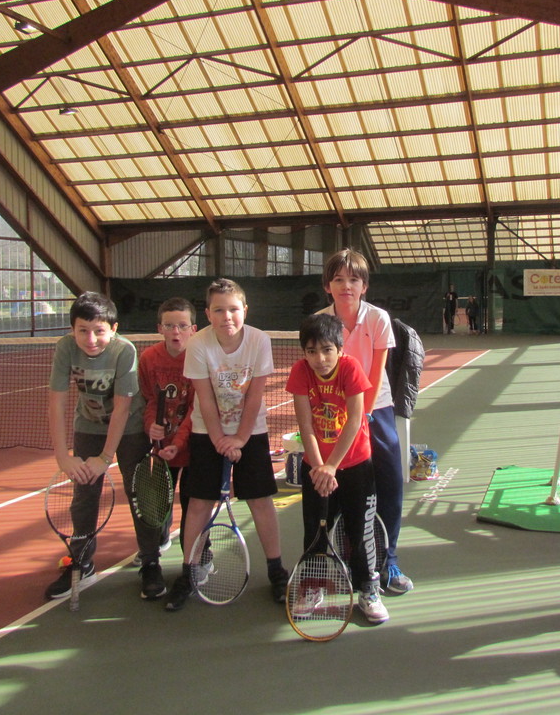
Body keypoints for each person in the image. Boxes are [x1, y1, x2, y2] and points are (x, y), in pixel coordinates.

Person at [165, 278, 288, 610]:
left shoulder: (259, 341)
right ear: (208, 314)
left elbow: (255, 396)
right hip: (207, 433)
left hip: (252, 431)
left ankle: (277, 571)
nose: (227, 316)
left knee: (261, 500)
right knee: (198, 504)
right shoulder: (198, 344)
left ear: (244, 310)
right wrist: (220, 439)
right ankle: (189, 573)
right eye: (218, 310)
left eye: (233, 309)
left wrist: (241, 438)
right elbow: (204, 399)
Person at [44, 291, 154, 601]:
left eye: (99, 331)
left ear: (114, 329)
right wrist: (63, 457)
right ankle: (82, 562)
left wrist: (105, 458)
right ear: (72, 329)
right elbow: (56, 403)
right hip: (88, 426)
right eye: (83, 330)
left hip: (130, 428)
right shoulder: (66, 348)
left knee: (138, 492)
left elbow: (122, 409)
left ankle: (150, 560)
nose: (90, 339)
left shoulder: (124, 351)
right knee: (84, 495)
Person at [318, 248, 413, 594]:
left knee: (390, 484)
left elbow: (376, 371)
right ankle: (347, 558)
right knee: (342, 489)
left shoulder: (378, 319)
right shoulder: (320, 322)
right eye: (339, 279)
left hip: (376, 409)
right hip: (335, 412)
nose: (346, 286)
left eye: (354, 280)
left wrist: (364, 416)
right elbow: (319, 372)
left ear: (364, 286)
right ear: (328, 286)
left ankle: (389, 561)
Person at [286, 314, 389, 624]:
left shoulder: (350, 368)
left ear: (340, 349)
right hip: (317, 470)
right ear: (304, 353)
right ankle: (313, 586)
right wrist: (320, 467)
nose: (320, 359)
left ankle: (368, 590)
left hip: (356, 465)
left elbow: (356, 420)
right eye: (312, 351)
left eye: (327, 350)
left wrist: (332, 466)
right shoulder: (300, 372)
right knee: (315, 532)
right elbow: (305, 424)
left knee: (360, 531)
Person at [137, 297, 198, 600]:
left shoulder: (199, 357)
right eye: (170, 325)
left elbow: (196, 409)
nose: (176, 332)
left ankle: (197, 556)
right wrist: (151, 425)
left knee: (193, 504)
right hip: (161, 451)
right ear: (159, 328)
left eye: (183, 326)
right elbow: (150, 399)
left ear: (193, 329)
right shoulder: (148, 358)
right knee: (154, 505)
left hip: (191, 446)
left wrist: (178, 442)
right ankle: (151, 561)